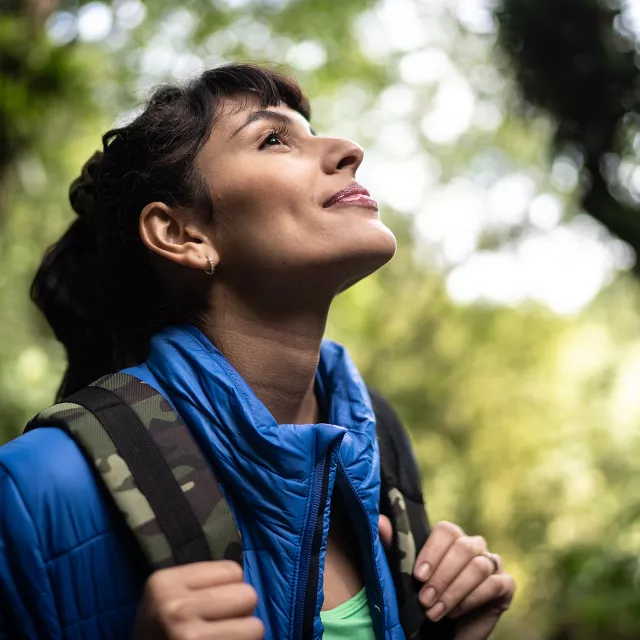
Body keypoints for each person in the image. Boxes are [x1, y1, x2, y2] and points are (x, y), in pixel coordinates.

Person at [0, 63, 514, 640]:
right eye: (273, 139)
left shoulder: (377, 446)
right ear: (182, 234)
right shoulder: (32, 489)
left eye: (313, 131)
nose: (349, 149)